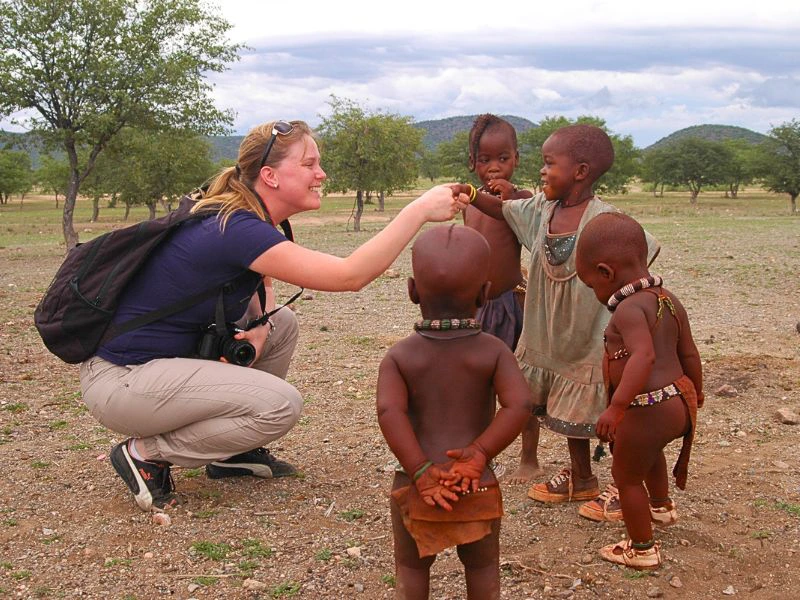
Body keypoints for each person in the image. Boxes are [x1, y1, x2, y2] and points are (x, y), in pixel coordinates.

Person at [79, 120, 466, 512]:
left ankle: (232, 454)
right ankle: (145, 452)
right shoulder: (235, 227)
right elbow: (350, 276)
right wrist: (417, 211)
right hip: (123, 379)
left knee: (281, 325)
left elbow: (262, 280)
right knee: (279, 405)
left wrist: (260, 325)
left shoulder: (247, 216)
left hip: (156, 371)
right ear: (270, 176)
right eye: (309, 164)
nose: (321, 174)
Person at [452, 124, 660, 508]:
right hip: (550, 335)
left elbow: (641, 251)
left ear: (580, 171)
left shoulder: (603, 219)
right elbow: (500, 208)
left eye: (550, 164)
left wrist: (623, 302)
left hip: (591, 333)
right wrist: (468, 194)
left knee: (609, 412)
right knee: (569, 411)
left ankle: (627, 484)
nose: (543, 171)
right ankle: (581, 477)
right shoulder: (541, 211)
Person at [376, 225, 531, 600]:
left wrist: (421, 471)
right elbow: (520, 405)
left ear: (412, 291)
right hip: (474, 482)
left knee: (412, 571)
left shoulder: (400, 356)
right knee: (482, 570)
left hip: (417, 485)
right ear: (484, 293)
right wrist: (478, 454)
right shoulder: (493, 351)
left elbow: (388, 411)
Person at [574, 212, 704, 570]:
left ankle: (641, 548)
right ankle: (661, 506)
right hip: (676, 404)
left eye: (590, 285)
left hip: (646, 408)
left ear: (606, 273)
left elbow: (643, 356)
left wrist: (616, 407)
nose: (595, 293)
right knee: (649, 453)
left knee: (627, 476)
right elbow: (688, 352)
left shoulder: (629, 310)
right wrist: (698, 393)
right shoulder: (668, 298)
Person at [462, 115, 540, 484]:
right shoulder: (469, 203)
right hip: (475, 307)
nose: (494, 167)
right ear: (472, 163)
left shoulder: (521, 201)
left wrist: (511, 199)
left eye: (503, 158)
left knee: (519, 384)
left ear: (517, 160)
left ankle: (529, 455)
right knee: (475, 385)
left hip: (511, 302)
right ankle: (478, 451)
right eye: (485, 159)